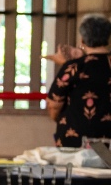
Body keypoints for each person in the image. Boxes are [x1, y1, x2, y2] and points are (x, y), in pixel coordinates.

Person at [46, 15, 111, 148]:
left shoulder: (72, 67)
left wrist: (58, 118)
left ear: (82, 40)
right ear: (108, 38)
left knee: (73, 169)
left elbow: (54, 104)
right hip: (108, 140)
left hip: (74, 139)